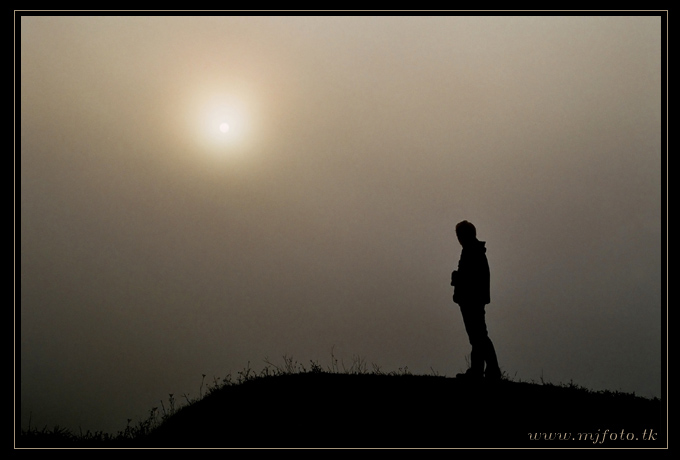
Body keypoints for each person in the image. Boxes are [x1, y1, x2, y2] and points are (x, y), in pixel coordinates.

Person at [450, 220, 501, 381]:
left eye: (460, 234)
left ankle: (491, 370)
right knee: (477, 337)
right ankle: (478, 371)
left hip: (472, 300)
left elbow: (472, 278)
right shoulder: (473, 251)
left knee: (479, 336)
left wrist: (457, 278)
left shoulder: (472, 252)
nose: (458, 238)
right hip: (472, 299)